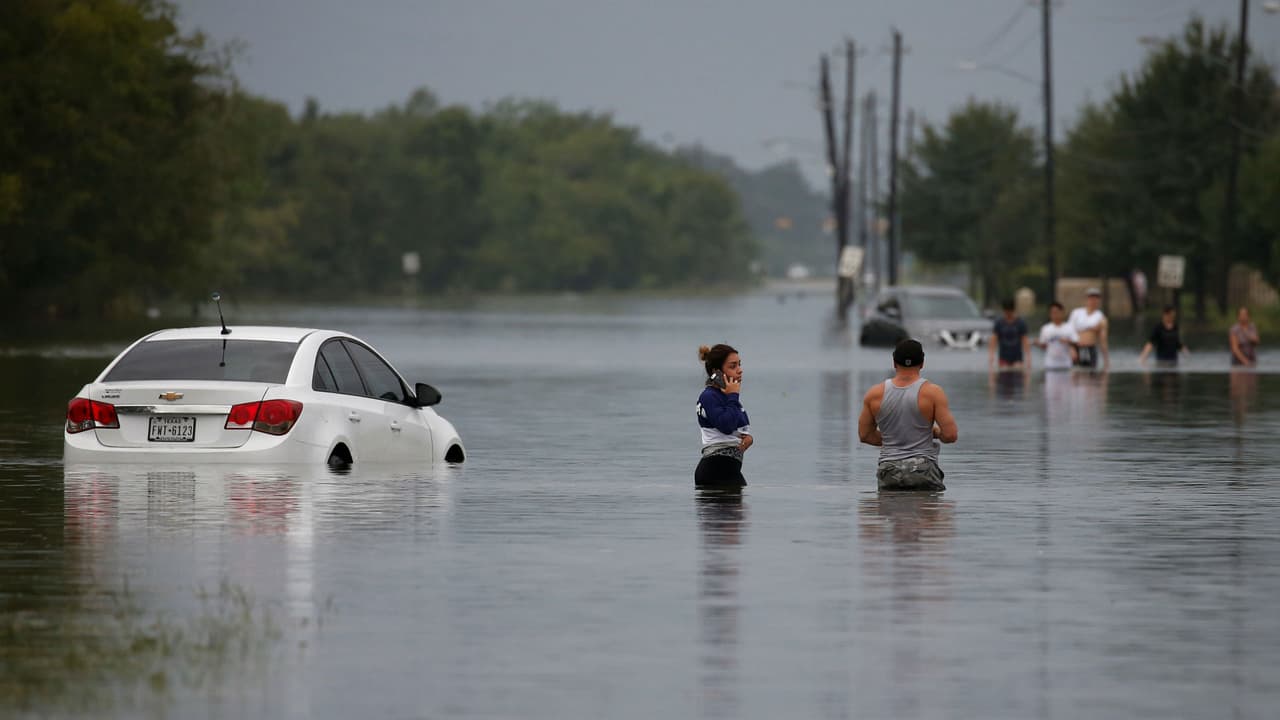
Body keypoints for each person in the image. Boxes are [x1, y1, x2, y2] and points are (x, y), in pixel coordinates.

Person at [858, 339, 959, 491]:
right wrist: (935, 433)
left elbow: (865, 435)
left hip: (889, 470)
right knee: (933, 511)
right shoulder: (933, 393)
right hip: (923, 469)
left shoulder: (874, 394)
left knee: (890, 511)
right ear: (922, 362)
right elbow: (950, 435)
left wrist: (895, 439)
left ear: (894, 362)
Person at [694, 344, 752, 487]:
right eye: (733, 366)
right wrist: (733, 395)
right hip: (715, 469)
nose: (740, 370)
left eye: (739, 365)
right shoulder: (709, 397)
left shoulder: (728, 398)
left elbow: (738, 426)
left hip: (727, 469)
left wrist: (749, 438)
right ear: (717, 372)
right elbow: (726, 425)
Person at [1068, 288, 1109, 369]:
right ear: (1086, 299)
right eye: (1091, 298)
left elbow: (1103, 339)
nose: (1093, 301)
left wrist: (1106, 361)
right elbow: (1069, 332)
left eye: (1096, 298)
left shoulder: (1101, 317)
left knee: (1091, 374)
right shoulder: (1076, 313)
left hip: (1090, 348)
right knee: (1074, 374)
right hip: (1076, 347)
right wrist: (1071, 348)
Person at [989, 299, 1031, 370]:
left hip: (1017, 357)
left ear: (1013, 310)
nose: (1008, 314)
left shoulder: (1020, 323)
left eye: (1010, 312)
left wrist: (1028, 357)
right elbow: (993, 340)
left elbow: (1025, 341)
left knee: (1017, 372)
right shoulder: (999, 323)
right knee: (1004, 373)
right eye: (1006, 312)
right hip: (1004, 356)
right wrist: (991, 355)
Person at [1036, 301, 1078, 370]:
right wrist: (1039, 343)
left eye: (1057, 312)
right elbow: (1044, 345)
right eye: (1052, 313)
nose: (1055, 315)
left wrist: (1068, 341)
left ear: (1062, 312)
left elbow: (1076, 342)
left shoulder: (1069, 327)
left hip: (1065, 363)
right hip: (1050, 364)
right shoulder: (1045, 328)